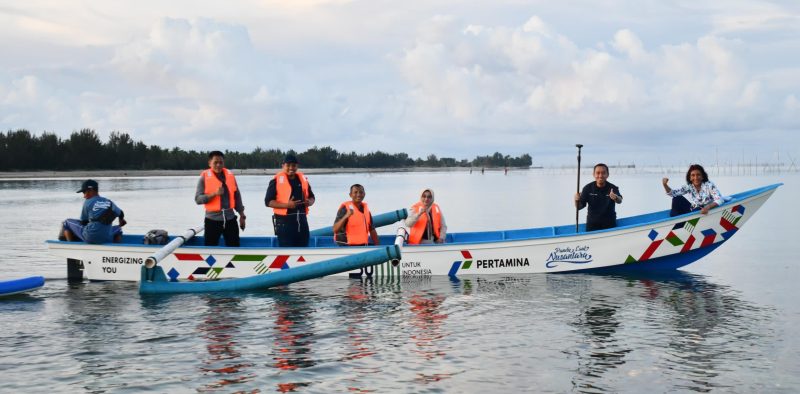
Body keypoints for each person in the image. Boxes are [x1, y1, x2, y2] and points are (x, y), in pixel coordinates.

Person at [195, 151, 246, 246]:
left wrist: (242, 216)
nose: (218, 165)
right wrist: (214, 194)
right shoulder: (204, 178)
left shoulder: (230, 176)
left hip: (230, 219)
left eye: (221, 162)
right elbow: (198, 199)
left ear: (223, 163)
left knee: (234, 247)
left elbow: (237, 197)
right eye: (215, 162)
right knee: (210, 249)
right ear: (209, 163)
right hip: (212, 220)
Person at [265, 154, 316, 247]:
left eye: (294, 165)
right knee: (286, 252)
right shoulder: (275, 181)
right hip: (284, 224)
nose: (291, 168)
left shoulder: (303, 180)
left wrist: (310, 202)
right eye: (288, 165)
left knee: (303, 250)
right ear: (283, 166)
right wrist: (287, 205)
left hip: (302, 223)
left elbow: (312, 197)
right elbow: (268, 202)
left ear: (297, 166)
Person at [62, 179, 126, 244]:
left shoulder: (88, 202)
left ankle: (71, 246)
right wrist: (121, 221)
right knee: (119, 229)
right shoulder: (109, 202)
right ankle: (116, 246)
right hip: (107, 237)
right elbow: (121, 213)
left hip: (90, 238)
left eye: (84, 192)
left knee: (66, 223)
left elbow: (84, 222)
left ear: (91, 190)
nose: (84, 196)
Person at [574, 163, 622, 231]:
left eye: (603, 173)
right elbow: (579, 207)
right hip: (592, 225)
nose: (600, 175)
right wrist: (576, 200)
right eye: (598, 173)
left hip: (610, 224)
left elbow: (620, 201)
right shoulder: (587, 188)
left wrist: (615, 197)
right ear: (594, 174)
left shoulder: (612, 188)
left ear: (607, 175)